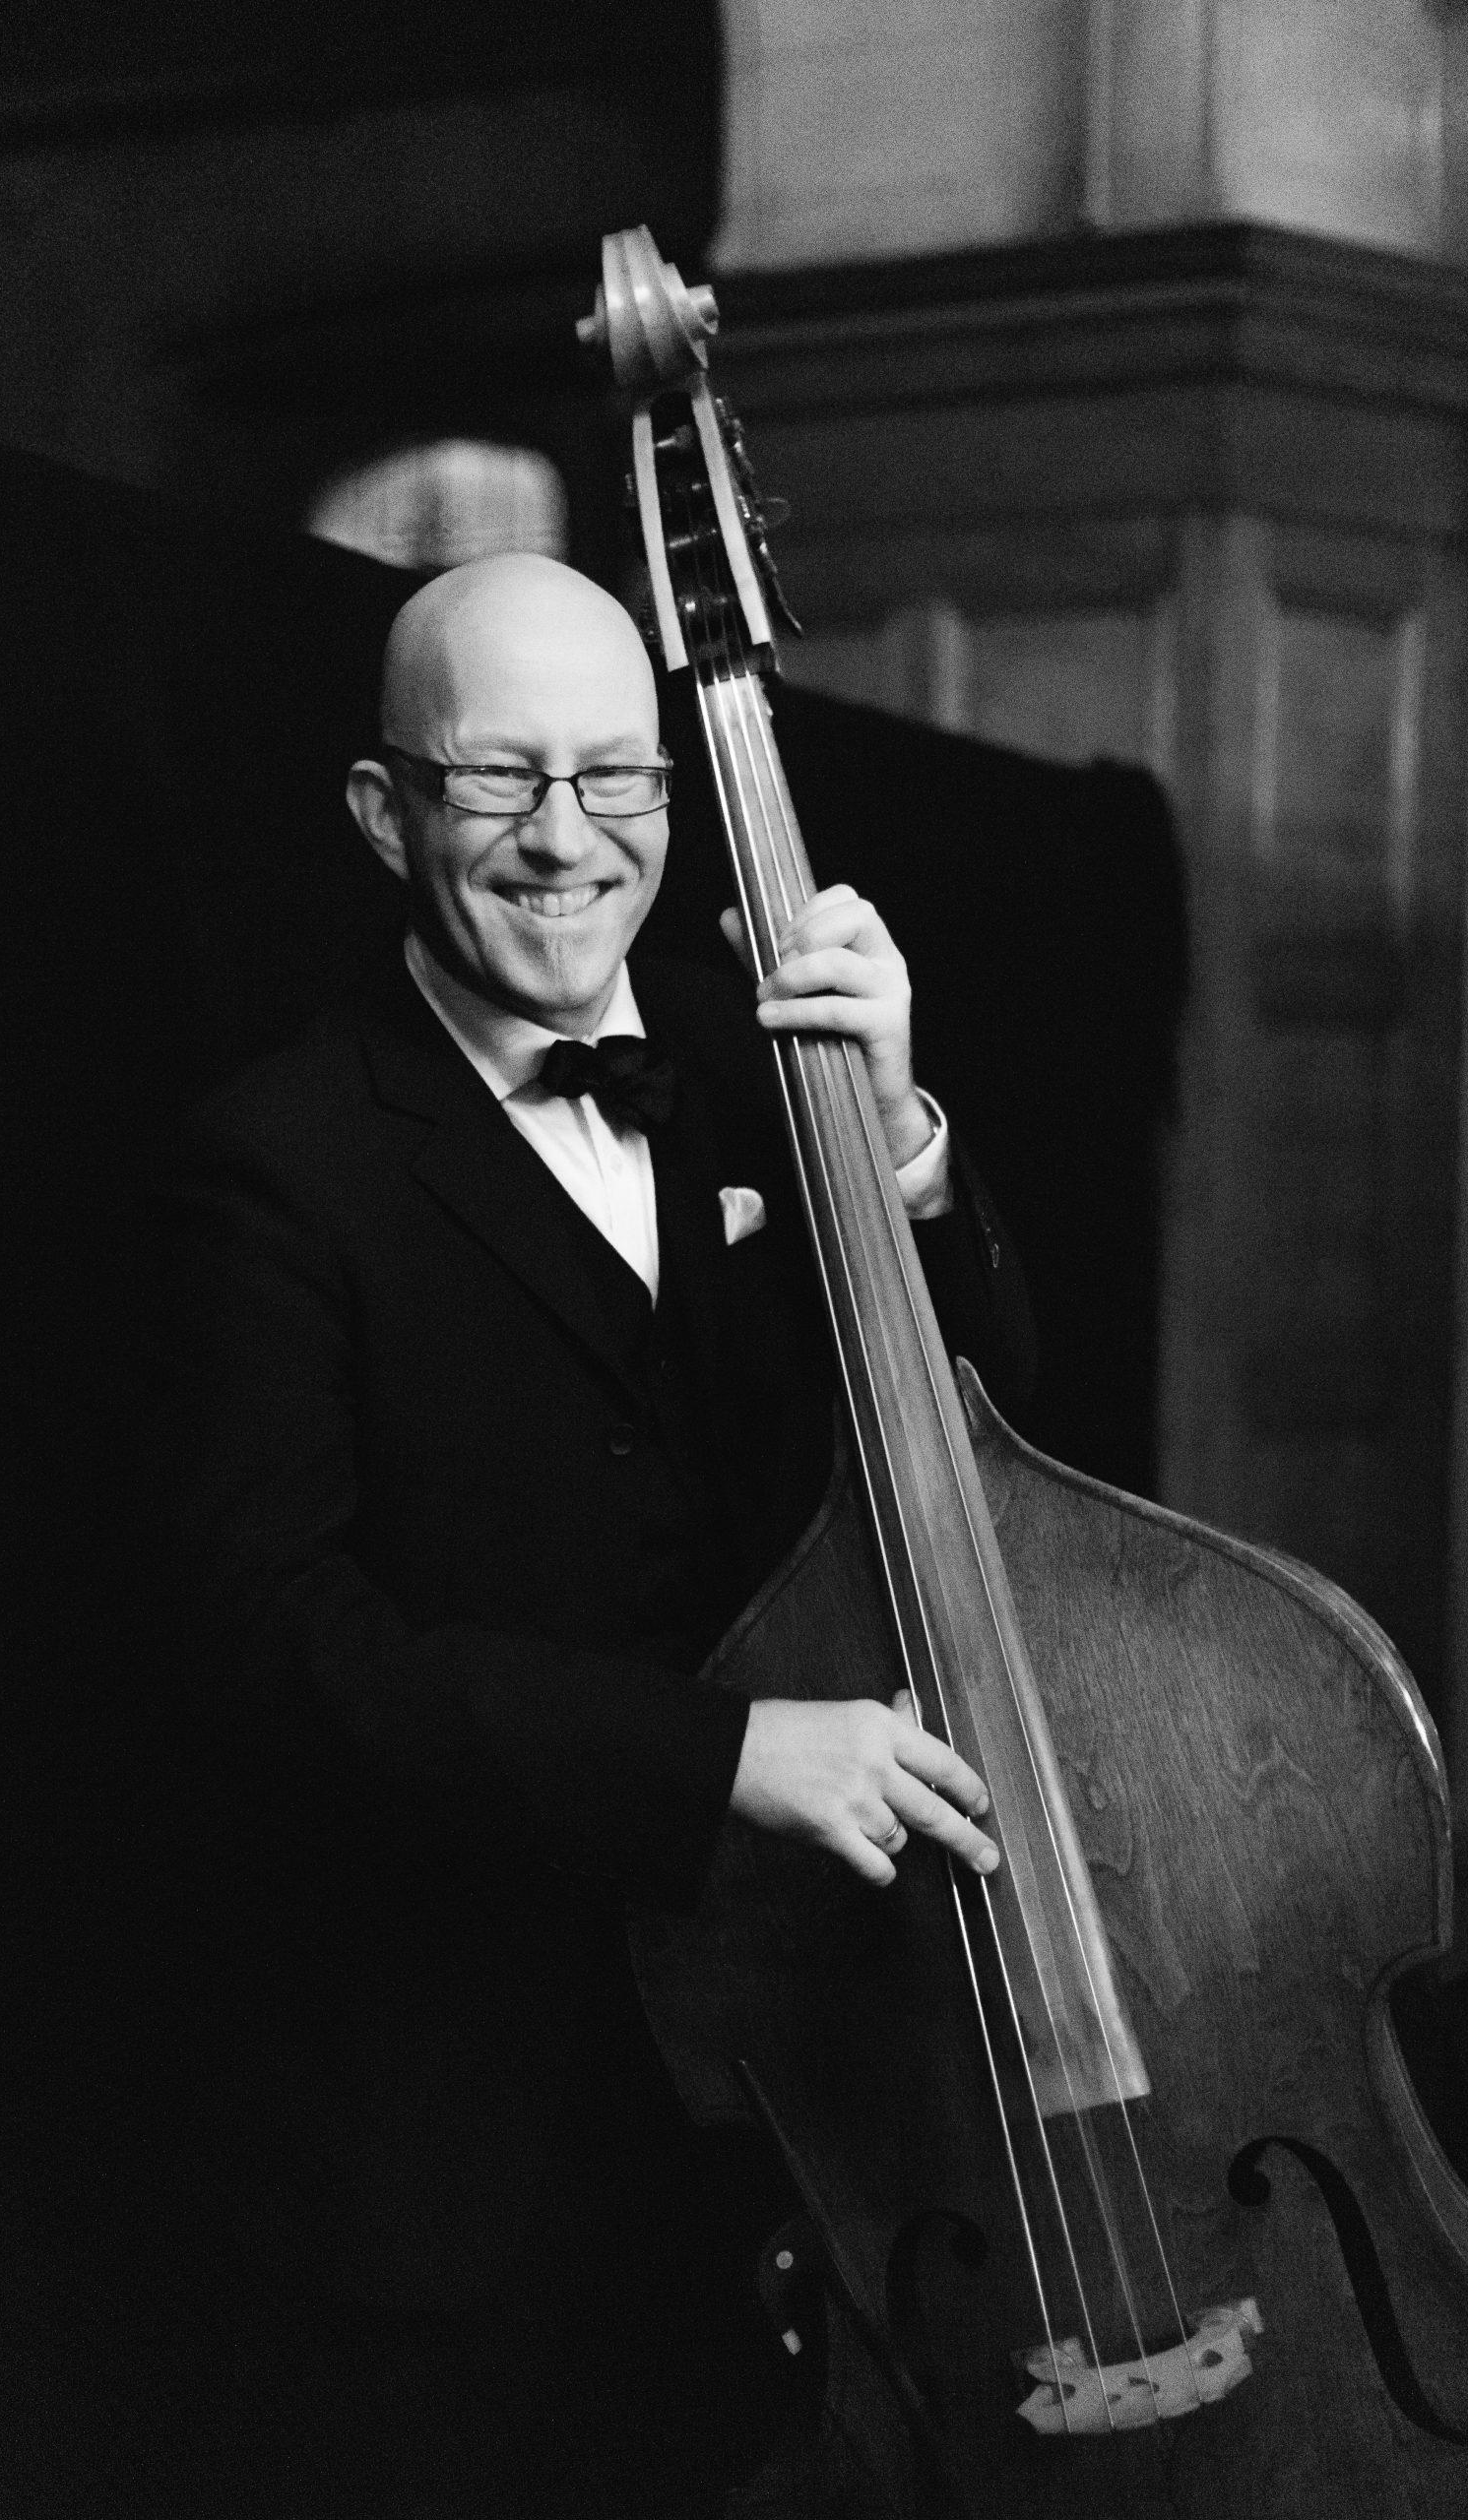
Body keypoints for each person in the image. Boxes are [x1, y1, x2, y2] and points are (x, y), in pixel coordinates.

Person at [167, 552, 1035, 2516]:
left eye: (615, 777)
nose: (566, 839)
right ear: (384, 813)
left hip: (786, 2087)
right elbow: (273, 1643)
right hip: (442, 2132)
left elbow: (981, 1427)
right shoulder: (277, 1160)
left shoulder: (767, 1074)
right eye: (496, 781)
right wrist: (728, 1752)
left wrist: (896, 1135)